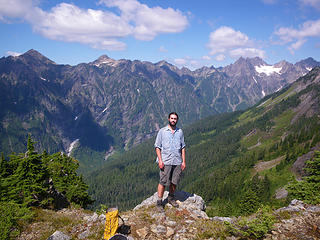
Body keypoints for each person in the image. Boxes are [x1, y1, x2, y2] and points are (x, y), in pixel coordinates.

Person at [154, 112, 186, 209]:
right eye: (172, 118)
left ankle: (170, 198)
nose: (173, 120)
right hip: (166, 161)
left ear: (177, 120)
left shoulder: (180, 132)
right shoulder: (162, 131)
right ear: (168, 119)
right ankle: (159, 201)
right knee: (163, 182)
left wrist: (183, 161)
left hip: (177, 161)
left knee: (174, 182)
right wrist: (160, 160)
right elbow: (157, 147)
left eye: (175, 119)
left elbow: (183, 147)